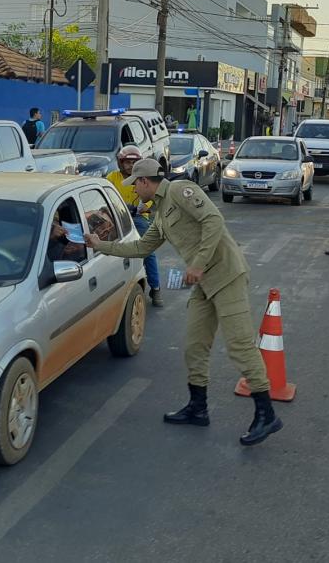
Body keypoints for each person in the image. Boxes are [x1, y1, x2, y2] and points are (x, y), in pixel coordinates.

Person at [84, 158, 283, 447]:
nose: (135, 192)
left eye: (135, 186)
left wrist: (199, 263)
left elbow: (213, 220)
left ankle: (266, 413)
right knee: (194, 346)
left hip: (226, 275)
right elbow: (141, 247)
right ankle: (197, 407)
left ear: (145, 181)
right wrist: (99, 245)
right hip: (204, 285)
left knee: (240, 345)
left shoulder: (180, 190)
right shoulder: (160, 212)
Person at [106, 146, 162, 307]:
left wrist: (146, 206)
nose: (130, 166)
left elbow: (152, 197)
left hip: (138, 218)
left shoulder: (144, 178)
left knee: (147, 250)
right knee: (107, 251)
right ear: (120, 163)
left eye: (134, 162)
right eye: (127, 162)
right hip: (117, 218)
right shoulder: (112, 178)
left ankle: (155, 287)